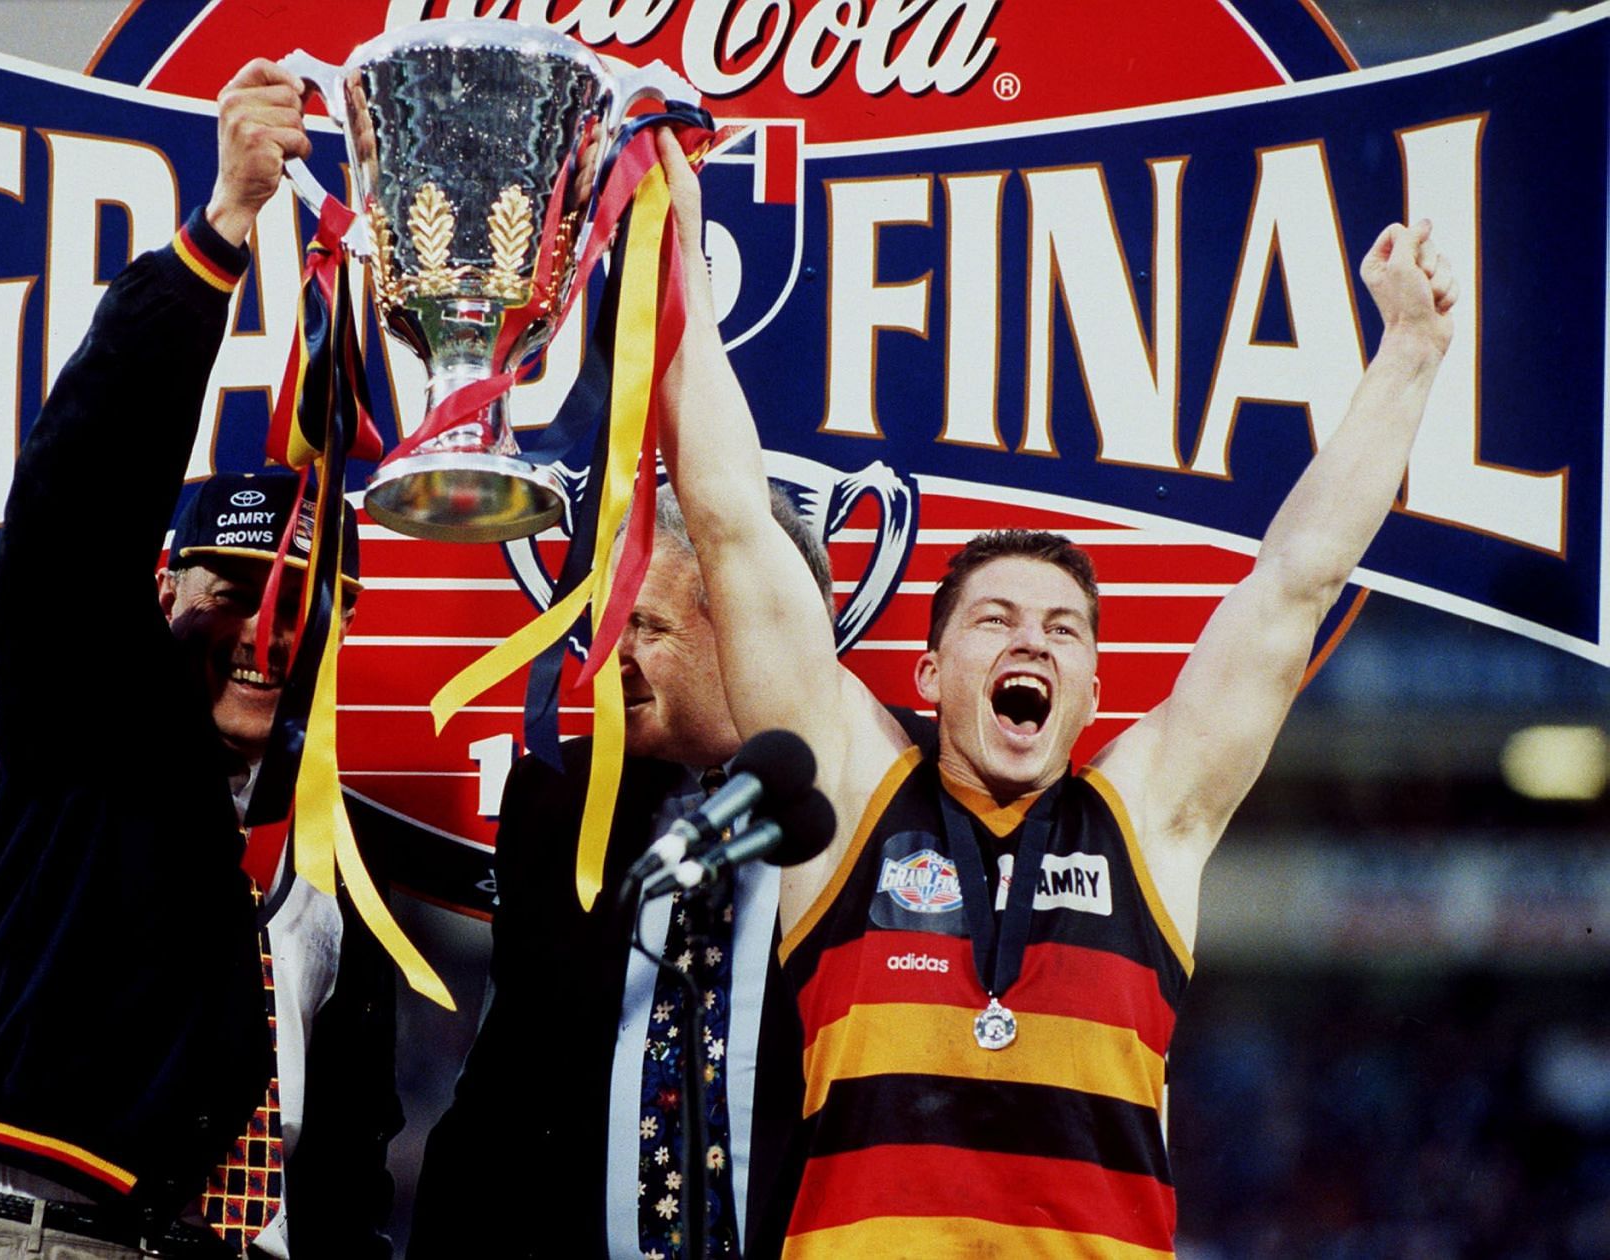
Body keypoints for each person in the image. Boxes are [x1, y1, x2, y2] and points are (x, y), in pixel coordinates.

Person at [650, 127, 1460, 1257]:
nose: (1031, 641)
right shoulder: (850, 797)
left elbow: (1294, 583)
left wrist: (1413, 353)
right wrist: (672, 253)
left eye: (1062, 632)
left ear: (1089, 691)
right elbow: (732, 517)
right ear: (931, 676)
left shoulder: (1153, 821)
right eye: (995, 620)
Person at [0, 60, 398, 1260]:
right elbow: (79, 491)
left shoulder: (332, 843)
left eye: (297, 603)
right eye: (230, 590)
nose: (262, 632)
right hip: (35, 1231)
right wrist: (222, 229)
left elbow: (347, 1161)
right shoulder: (80, 709)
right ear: (160, 585)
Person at [410, 485, 925, 1260]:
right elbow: (503, 1091)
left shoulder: (913, 798)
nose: (609, 658)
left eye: (643, 625)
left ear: (763, 630)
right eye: (607, 626)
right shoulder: (557, 798)